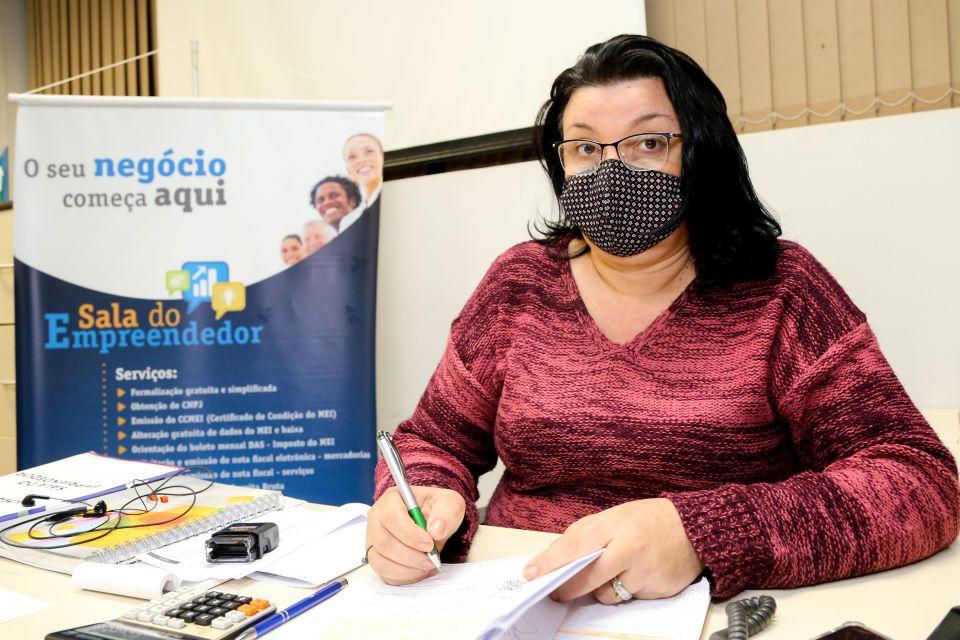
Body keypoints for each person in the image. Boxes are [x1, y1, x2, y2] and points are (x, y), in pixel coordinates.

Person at [365, 34, 960, 602]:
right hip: (518, 597)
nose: (612, 170)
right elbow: (433, 442)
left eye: (648, 143)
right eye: (585, 148)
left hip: (714, 610)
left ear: (701, 151)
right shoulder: (518, 284)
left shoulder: (784, 289)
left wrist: (703, 534)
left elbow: (918, 480)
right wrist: (417, 501)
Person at [343, 133, 384, 210]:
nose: (361, 160)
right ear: (348, 170)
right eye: (352, 156)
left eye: (369, 151)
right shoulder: (355, 212)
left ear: (383, 156)